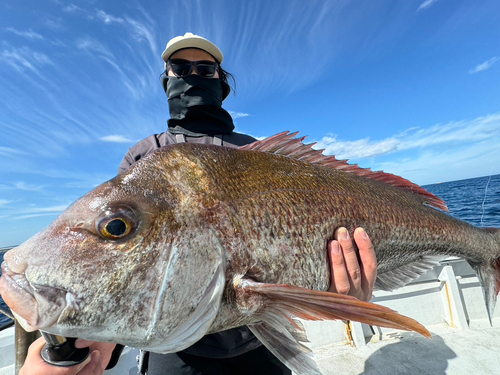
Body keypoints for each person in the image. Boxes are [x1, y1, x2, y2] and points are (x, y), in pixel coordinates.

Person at [20, 33, 377, 375]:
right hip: (178, 351)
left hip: (259, 339)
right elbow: (127, 264)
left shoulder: (255, 152)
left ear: (221, 82)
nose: (193, 76)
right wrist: (93, 351)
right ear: (167, 79)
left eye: (205, 70)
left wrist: (342, 294)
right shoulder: (145, 155)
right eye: (180, 67)